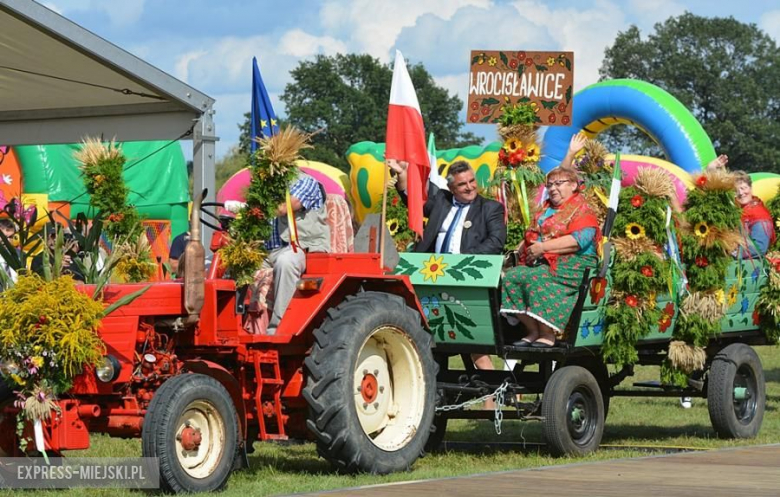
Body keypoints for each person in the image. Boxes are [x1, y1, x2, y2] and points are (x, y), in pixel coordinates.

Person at [388, 159, 507, 408]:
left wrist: (460, 264)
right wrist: (402, 173)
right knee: (427, 339)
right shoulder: (440, 202)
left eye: (472, 181)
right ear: (451, 188)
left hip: (469, 282)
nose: (469, 187)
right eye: (462, 184)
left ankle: (491, 400)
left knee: (475, 343)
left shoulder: (490, 208)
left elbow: (495, 243)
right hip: (431, 278)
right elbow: (413, 196)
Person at [500, 166, 599, 348]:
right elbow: (529, 237)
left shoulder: (582, 210)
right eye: (550, 185)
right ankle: (533, 331)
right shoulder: (544, 209)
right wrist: (511, 257)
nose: (553, 188)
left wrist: (543, 248)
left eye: (558, 184)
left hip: (574, 264)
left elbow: (578, 241)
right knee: (511, 277)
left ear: (574, 185)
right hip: (542, 262)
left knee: (537, 277)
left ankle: (548, 334)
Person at [261, 172, 330, 334]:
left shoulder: (306, 182)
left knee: (286, 262)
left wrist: (256, 204)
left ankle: (279, 328)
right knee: (236, 263)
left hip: (302, 248)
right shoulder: (264, 185)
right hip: (267, 251)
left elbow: (285, 207)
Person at [734, 171, 775, 258]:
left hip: (752, 268)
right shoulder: (735, 212)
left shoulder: (759, 214)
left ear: (750, 188)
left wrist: (731, 252)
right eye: (736, 190)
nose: (740, 193)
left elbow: (759, 248)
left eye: (743, 188)